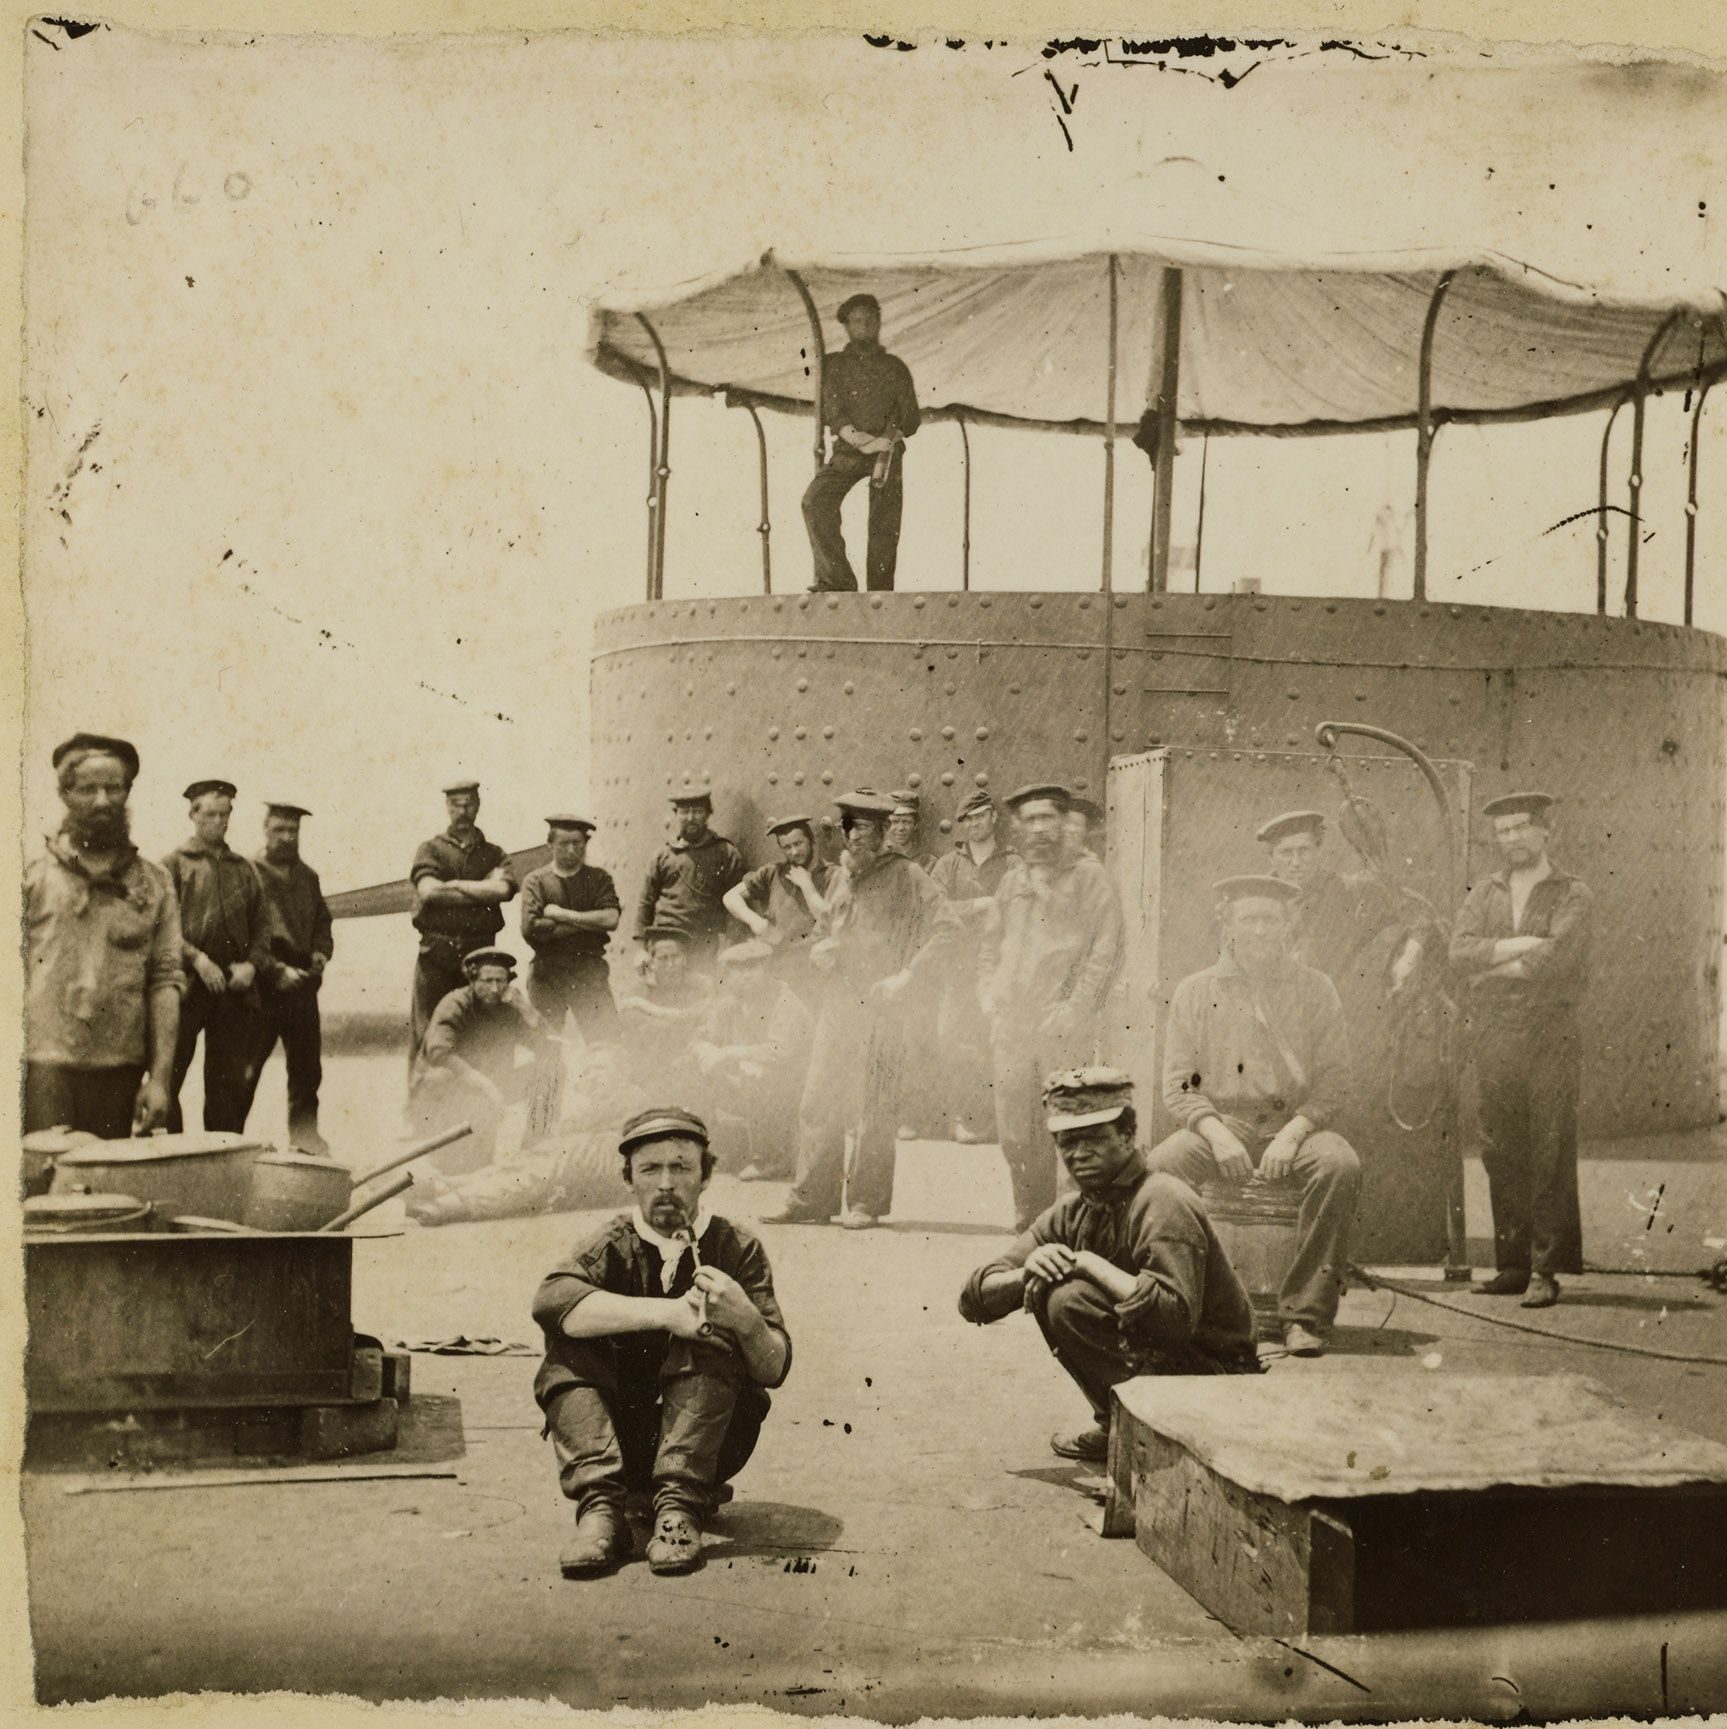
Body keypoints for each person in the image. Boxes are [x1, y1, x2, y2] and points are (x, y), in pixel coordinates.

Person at [532, 1107, 792, 1578]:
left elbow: (774, 1368)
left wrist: (746, 1320)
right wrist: (669, 1315)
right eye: (651, 1169)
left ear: (705, 1175)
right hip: (617, 1447)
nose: (666, 1183)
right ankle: (600, 1512)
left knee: (712, 1334)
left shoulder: (737, 1247)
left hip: (710, 1447)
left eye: (681, 1167)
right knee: (568, 1346)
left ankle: (678, 1510)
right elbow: (551, 1301)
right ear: (628, 1177)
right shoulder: (608, 1245)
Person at [959, 1069, 1260, 1463]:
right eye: (1067, 1142)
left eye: (1095, 1139)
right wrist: (1028, 1270)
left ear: (1127, 1137)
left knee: (1068, 1297)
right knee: (1053, 1285)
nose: (1079, 1153)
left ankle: (1144, 1433)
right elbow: (973, 1300)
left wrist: (1086, 1264)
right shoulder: (1074, 1210)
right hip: (1180, 1368)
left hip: (1223, 1381)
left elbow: (1174, 1317)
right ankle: (1123, 1423)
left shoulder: (1162, 1200)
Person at [1145, 875, 1361, 1358]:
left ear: (1289, 926)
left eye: (1271, 919)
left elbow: (1336, 1080)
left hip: (1297, 1125)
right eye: (1249, 919)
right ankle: (1179, 1306)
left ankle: (1304, 1317)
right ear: (1228, 926)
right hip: (1223, 1123)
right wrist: (1215, 1131)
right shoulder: (1195, 991)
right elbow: (1178, 1082)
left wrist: (1295, 1132)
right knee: (1158, 1172)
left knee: (1339, 1166)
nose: (1260, 930)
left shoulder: (1316, 989)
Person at [764, 789, 958, 1230]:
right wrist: (822, 949)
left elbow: (949, 929)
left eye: (865, 829)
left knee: (875, 1107)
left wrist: (908, 976)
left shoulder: (907, 875)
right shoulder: (844, 877)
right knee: (818, 1099)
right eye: (848, 827)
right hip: (839, 1001)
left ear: (885, 831)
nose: (853, 838)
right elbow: (827, 928)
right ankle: (812, 1198)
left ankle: (866, 1202)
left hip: (885, 1006)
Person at [1449, 792, 1591, 1309]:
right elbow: (1457, 951)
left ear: (1544, 831)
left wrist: (1492, 963)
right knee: (1500, 1147)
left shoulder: (1572, 893)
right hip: (1495, 1036)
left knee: (1549, 1147)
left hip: (1550, 1035)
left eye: (1520, 829)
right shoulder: (1486, 891)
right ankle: (1512, 1264)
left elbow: (1560, 958)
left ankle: (1546, 1269)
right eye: (1503, 831)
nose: (1511, 839)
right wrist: (1519, 948)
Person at [980, 784, 1126, 1233]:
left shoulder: (1088, 877)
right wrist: (987, 990)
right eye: (1031, 819)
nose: (1040, 828)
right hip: (1011, 1024)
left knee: (1069, 1127)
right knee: (1015, 1134)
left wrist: (1076, 1008)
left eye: (1048, 818)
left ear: (1064, 824)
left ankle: (1072, 1222)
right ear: (1019, 827)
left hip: (1061, 1021)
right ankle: (1031, 1218)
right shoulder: (1013, 879)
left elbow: (1107, 948)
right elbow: (989, 943)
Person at [24, 733, 182, 1138]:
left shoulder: (156, 883)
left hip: (119, 1071)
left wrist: (160, 1080)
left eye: (114, 788)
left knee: (108, 1192)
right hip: (43, 1067)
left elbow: (165, 982)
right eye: (88, 788)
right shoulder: (30, 878)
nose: (102, 800)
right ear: (65, 794)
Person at [161, 779, 286, 1133]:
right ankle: (174, 1158)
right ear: (192, 814)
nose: (217, 821)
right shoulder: (173, 865)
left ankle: (221, 1163)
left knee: (227, 1088)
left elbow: (264, 928)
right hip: (185, 988)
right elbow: (162, 927)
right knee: (168, 1079)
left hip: (233, 991)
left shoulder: (244, 870)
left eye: (224, 814)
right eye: (209, 814)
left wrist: (252, 965)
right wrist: (198, 960)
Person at [801, 293, 920, 593]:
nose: (864, 326)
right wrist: (858, 439)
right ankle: (837, 581)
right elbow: (833, 410)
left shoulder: (895, 368)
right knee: (815, 501)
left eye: (870, 319)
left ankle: (880, 592)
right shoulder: (835, 366)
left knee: (884, 524)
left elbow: (911, 418)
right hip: (848, 450)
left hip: (886, 454)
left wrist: (889, 439)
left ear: (879, 322)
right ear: (847, 327)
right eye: (857, 321)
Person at [410, 946, 559, 1171]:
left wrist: (527, 1010)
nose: (495, 988)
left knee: (551, 1069)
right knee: (467, 1165)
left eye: (501, 981)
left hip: (493, 1084)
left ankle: (534, 1149)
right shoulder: (456, 1003)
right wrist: (486, 1086)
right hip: (454, 1086)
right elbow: (439, 1052)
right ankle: (447, 1155)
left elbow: (552, 1048)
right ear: (472, 979)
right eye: (487, 980)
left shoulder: (509, 1008)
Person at [1256, 809, 1425, 1006]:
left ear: (1318, 850)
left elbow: (1419, 910)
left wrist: (1410, 955)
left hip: (1332, 1015)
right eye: (1286, 853)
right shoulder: (1255, 902)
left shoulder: (1348, 890)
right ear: (1271, 857)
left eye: (1304, 851)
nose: (1296, 862)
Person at [408, 778, 519, 1074]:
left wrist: (454, 885)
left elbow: (503, 891)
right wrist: (480, 887)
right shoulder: (430, 849)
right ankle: (424, 1115)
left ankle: (479, 1113)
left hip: (480, 958)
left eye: (469, 803)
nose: (463, 810)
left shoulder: (494, 854)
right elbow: (429, 891)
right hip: (436, 957)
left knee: (481, 1036)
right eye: (456, 804)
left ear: (478, 805)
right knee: (428, 1038)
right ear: (447, 807)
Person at [927, 789, 1017, 1142]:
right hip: (958, 969)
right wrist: (979, 905)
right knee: (951, 1039)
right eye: (968, 819)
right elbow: (933, 909)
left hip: (1000, 967)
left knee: (1000, 1040)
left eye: (981, 816)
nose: (975, 824)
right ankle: (971, 1116)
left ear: (994, 817)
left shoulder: (1012, 862)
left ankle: (999, 1123)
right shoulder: (948, 865)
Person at [690, 939, 814, 1180]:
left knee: (760, 1074)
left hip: (795, 1086)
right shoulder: (730, 1004)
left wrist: (730, 1053)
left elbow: (781, 1051)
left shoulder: (784, 1000)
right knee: (689, 1069)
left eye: (753, 968)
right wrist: (704, 1050)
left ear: (765, 970)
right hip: (749, 1083)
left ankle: (770, 1160)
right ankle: (713, 1150)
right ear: (728, 975)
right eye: (738, 970)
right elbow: (701, 1035)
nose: (746, 976)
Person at [250, 802, 334, 1154]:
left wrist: (320, 952)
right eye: (279, 830)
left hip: (301, 985)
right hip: (261, 986)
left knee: (306, 1070)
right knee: (244, 1071)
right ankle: (230, 1140)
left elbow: (322, 923)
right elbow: (240, 932)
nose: (286, 837)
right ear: (265, 829)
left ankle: (304, 1138)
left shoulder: (308, 877)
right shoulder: (248, 873)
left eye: (293, 831)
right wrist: (273, 970)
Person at [520, 814, 622, 1044]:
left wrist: (563, 915)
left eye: (578, 843)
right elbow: (531, 930)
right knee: (545, 1045)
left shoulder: (598, 878)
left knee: (606, 1042)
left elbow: (611, 918)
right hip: (547, 971)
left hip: (589, 968)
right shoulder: (535, 881)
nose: (571, 850)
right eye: (563, 844)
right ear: (550, 844)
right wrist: (589, 924)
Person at [722, 813, 833, 1005]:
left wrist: (807, 886)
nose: (794, 852)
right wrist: (755, 921)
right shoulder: (773, 873)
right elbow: (730, 897)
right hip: (775, 965)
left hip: (812, 967)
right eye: (787, 847)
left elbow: (829, 918)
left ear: (811, 841)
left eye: (799, 843)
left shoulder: (831, 874)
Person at [633, 791, 747, 973]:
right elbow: (645, 904)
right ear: (676, 814)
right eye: (684, 812)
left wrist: (729, 947)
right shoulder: (663, 855)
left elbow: (738, 905)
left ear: (708, 813)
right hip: (666, 943)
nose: (691, 818)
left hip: (704, 944)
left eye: (698, 811)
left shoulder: (725, 852)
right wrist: (640, 950)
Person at [618, 927, 715, 1085]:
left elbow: (707, 1015)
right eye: (663, 958)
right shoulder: (639, 989)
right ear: (652, 962)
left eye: (675, 957)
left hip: (690, 1058)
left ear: (684, 958)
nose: (671, 964)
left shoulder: (701, 984)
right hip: (651, 1064)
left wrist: (649, 1009)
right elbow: (630, 1021)